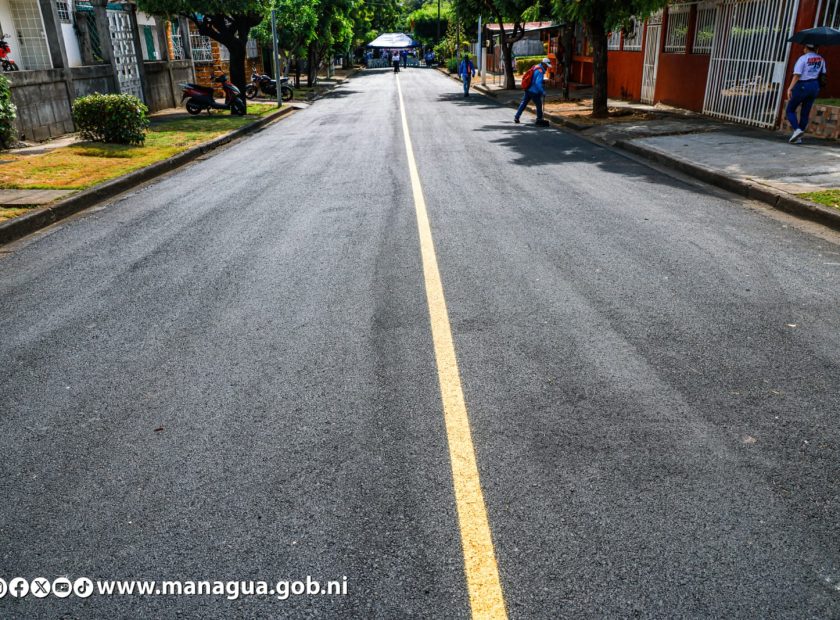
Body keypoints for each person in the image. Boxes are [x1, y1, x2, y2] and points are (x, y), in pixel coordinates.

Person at [785, 43, 826, 144]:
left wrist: (790, 88)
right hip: (814, 86)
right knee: (805, 112)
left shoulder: (803, 59)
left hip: (802, 85)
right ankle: (798, 138)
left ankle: (797, 130)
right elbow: (823, 73)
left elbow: (797, 75)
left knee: (790, 110)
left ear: (806, 48)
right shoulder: (821, 59)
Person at [514, 57, 551, 126]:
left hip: (528, 89)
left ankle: (517, 117)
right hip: (534, 92)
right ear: (543, 64)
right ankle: (539, 119)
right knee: (539, 105)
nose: (547, 68)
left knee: (523, 103)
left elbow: (533, 78)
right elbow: (537, 83)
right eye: (546, 66)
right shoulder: (540, 72)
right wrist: (543, 92)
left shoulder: (535, 67)